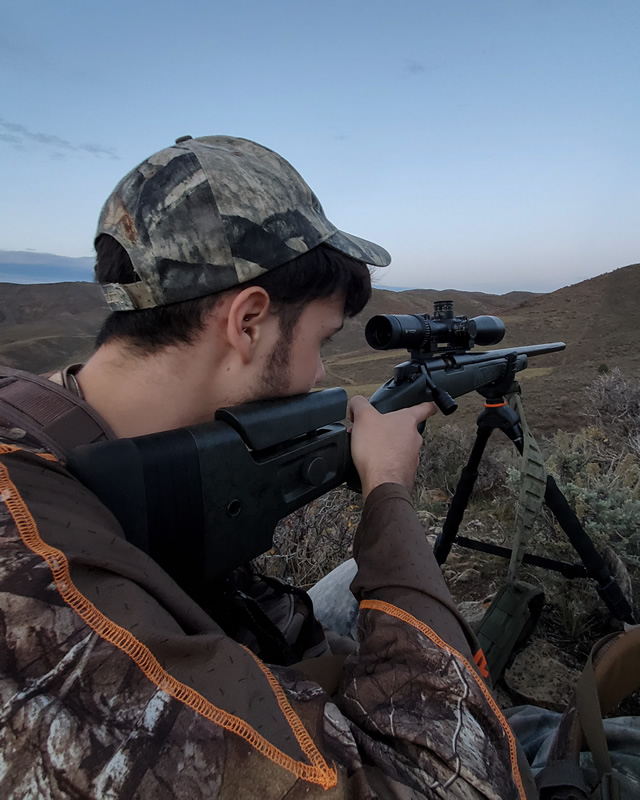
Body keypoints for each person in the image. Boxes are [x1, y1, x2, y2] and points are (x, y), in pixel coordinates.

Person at [0, 135, 537, 798]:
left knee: (340, 584)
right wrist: (388, 490)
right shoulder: (46, 592)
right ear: (248, 321)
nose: (319, 374)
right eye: (321, 341)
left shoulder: (48, 428)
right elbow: (448, 786)